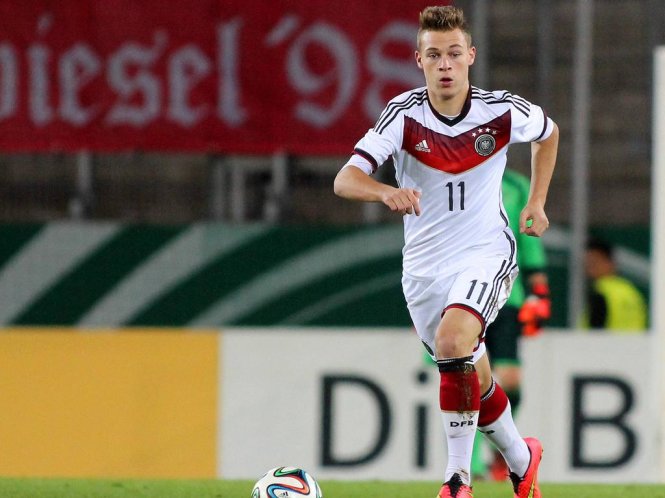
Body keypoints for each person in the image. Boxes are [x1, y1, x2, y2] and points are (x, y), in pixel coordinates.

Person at [333, 6, 559, 498]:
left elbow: (548, 133)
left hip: (485, 252)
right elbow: (345, 179)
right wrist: (384, 192)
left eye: (454, 54)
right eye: (434, 55)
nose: (445, 64)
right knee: (471, 373)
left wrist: (537, 201)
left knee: (454, 342)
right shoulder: (403, 114)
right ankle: (522, 458)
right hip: (424, 269)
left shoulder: (500, 110)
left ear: (470, 56)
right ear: (419, 60)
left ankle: (457, 479)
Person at [474, 169, 551, 481]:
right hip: (465, 294)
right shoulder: (450, 175)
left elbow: (528, 238)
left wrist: (540, 293)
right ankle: (473, 467)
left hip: (507, 295)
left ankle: (500, 443)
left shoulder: (517, 186)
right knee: (469, 378)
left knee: (510, 379)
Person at [584, 238, 647, 331]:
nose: (589, 268)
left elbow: (595, 334)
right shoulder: (631, 291)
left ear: (609, 262)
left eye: (593, 263)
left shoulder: (601, 292)